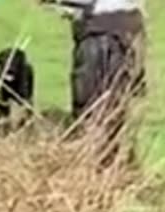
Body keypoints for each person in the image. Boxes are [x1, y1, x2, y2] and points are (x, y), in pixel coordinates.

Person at [52, 0, 146, 164]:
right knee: (114, 110)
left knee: (94, 110)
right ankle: (113, 167)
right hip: (122, 29)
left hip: (103, 32)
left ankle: (98, 169)